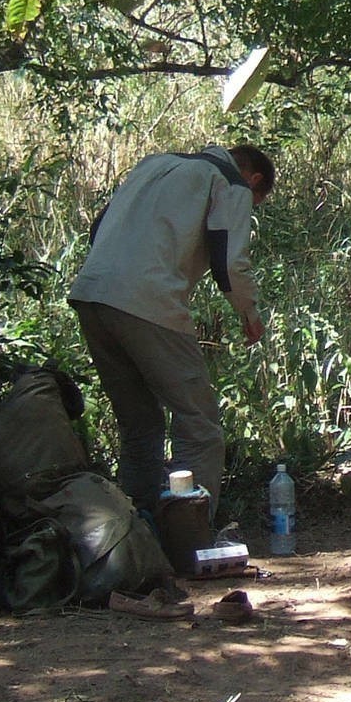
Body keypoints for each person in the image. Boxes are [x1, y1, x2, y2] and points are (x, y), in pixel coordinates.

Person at [69, 142, 274, 519]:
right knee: (199, 424)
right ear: (254, 179)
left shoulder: (154, 164)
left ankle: (137, 533)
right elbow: (230, 261)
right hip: (149, 300)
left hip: (91, 294)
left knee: (140, 423)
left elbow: (99, 228)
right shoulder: (230, 182)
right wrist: (249, 312)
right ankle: (190, 536)